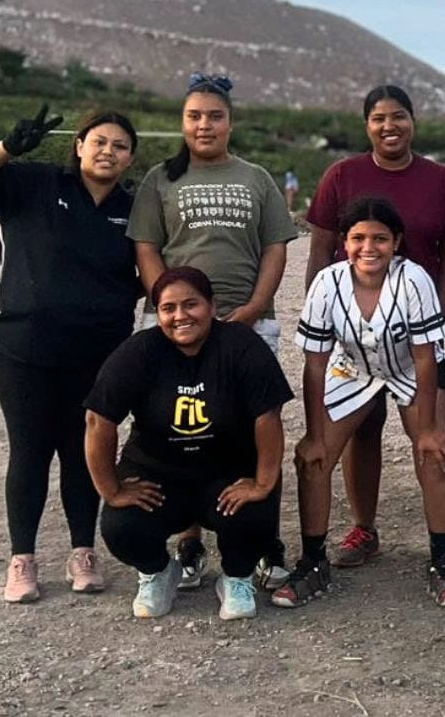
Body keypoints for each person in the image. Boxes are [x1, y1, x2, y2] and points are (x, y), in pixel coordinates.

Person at [0, 105, 141, 603]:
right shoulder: (34, 184)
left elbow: (153, 273)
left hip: (99, 356)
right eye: (99, 141)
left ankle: (83, 552)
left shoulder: (135, 208)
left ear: (130, 159)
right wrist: (8, 148)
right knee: (31, 451)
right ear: (79, 145)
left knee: (83, 454)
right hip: (22, 351)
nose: (108, 151)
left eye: (120, 146)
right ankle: (23, 560)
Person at [127, 73, 297, 590]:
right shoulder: (161, 179)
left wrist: (252, 308)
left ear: (230, 122)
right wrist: (172, 311)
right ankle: (190, 542)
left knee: (253, 433)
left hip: (245, 324)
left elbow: (274, 247)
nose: (205, 124)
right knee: (181, 432)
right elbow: (147, 249)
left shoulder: (257, 179)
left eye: (215, 115)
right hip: (175, 326)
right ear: (183, 122)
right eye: (195, 115)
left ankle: (260, 545)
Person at [304, 85, 445, 570]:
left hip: (417, 327)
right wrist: (326, 316)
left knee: (433, 434)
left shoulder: (440, 179)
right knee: (363, 428)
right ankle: (364, 528)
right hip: (355, 325)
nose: (389, 126)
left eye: (398, 117)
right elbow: (320, 252)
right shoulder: (342, 175)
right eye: (378, 118)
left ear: (413, 121)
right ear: (367, 125)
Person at [272, 197, 445, 608]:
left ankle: (442, 559)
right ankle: (312, 561)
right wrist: (313, 433)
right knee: (314, 457)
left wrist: (429, 429)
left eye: (380, 238)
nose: (369, 247)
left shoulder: (413, 279)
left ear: (396, 241)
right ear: (343, 241)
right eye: (358, 238)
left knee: (435, 453)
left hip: (411, 368)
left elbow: (424, 356)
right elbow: (315, 363)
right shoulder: (328, 282)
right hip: (351, 368)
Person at [85, 267, 293, 620]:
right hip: (158, 475)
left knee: (256, 513)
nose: (180, 316)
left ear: (212, 306)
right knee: (122, 526)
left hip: (226, 474)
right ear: (158, 314)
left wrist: (262, 483)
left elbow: (267, 417)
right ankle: (158, 572)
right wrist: (111, 489)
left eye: (190, 304)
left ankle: (236, 576)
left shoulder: (241, 345)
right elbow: (97, 419)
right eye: (168, 308)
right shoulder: (140, 352)